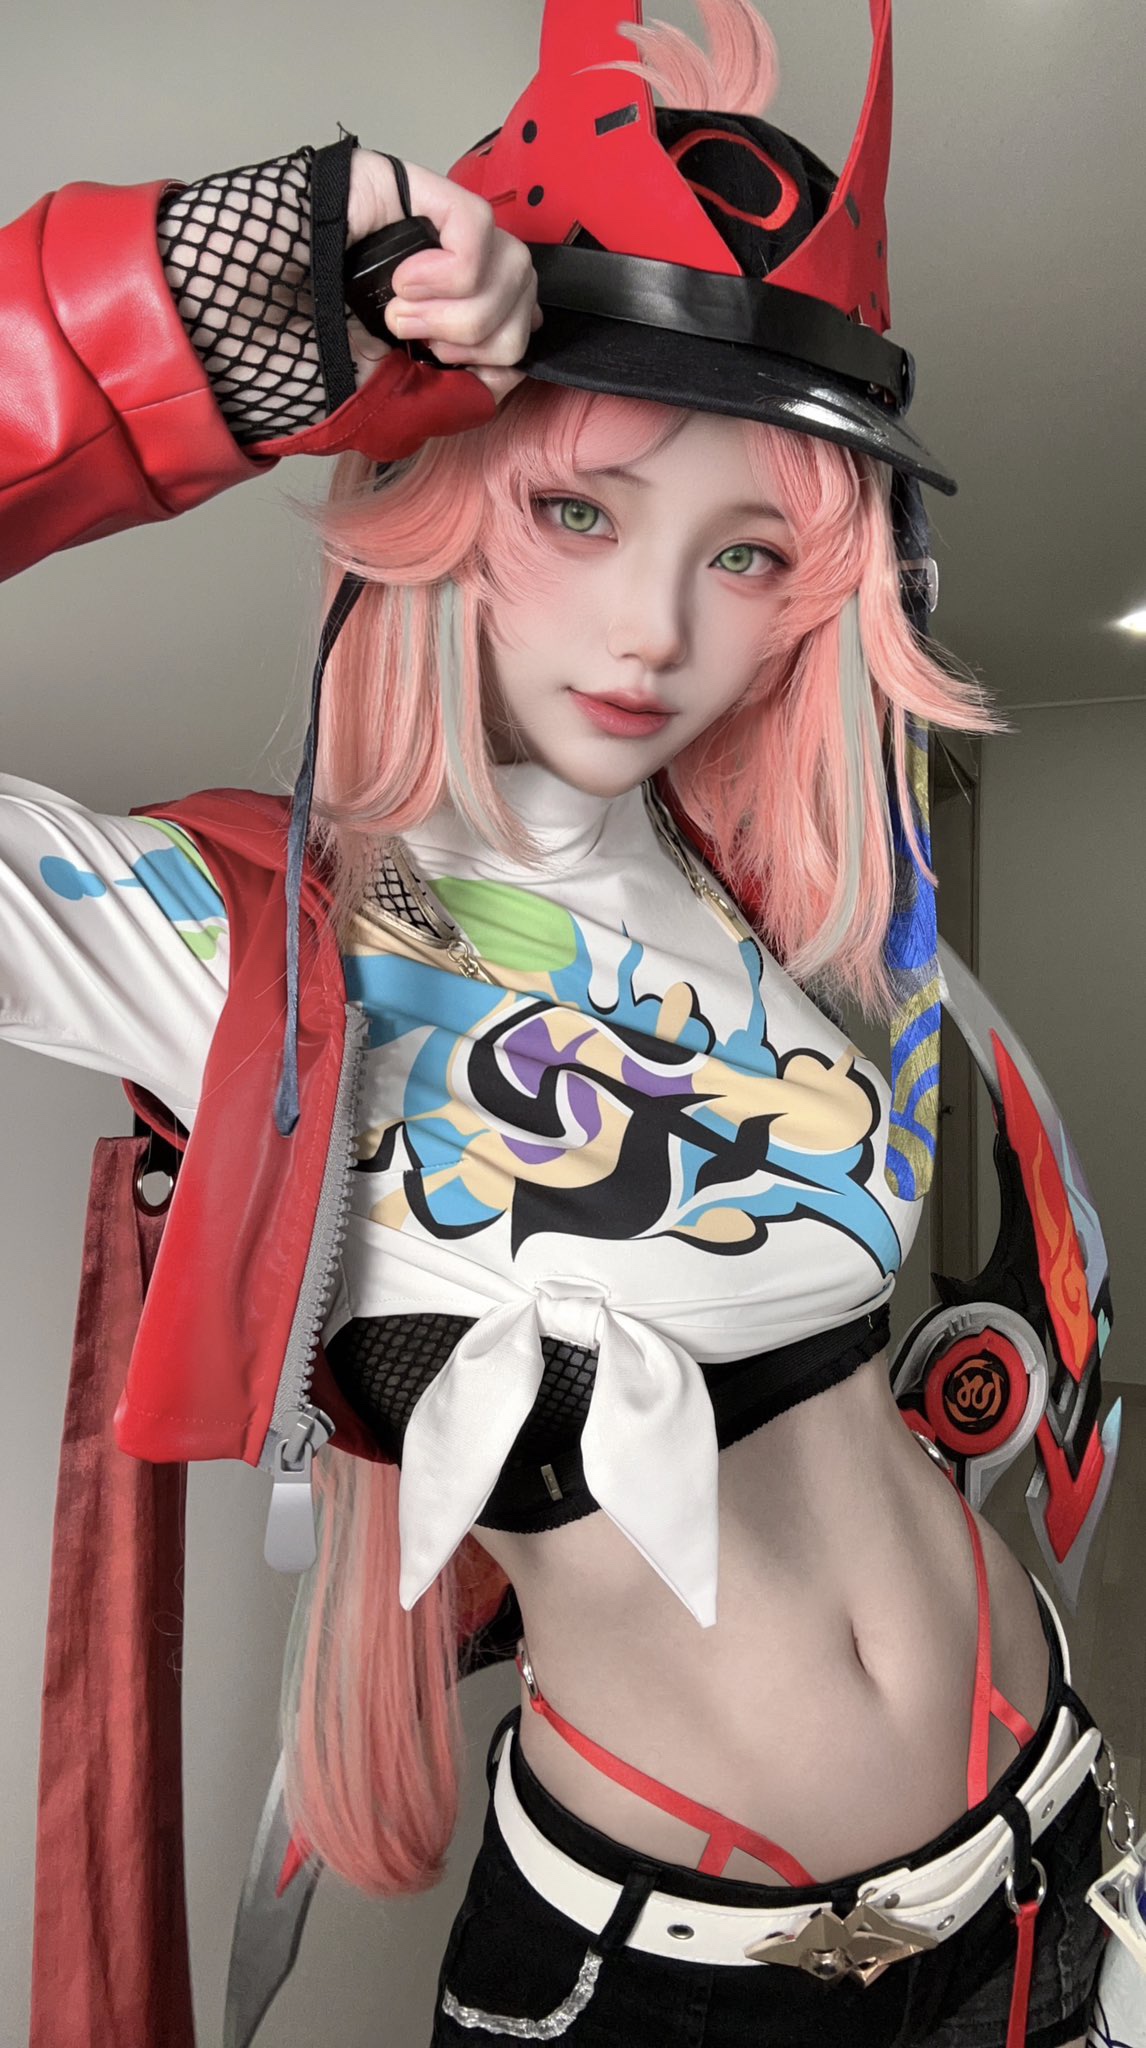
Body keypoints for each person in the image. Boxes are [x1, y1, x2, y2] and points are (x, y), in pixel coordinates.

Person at [0, 2, 1119, 2044]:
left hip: (1051, 1856)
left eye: (747, 552)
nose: (654, 633)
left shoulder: (765, 917)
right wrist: (191, 312)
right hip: (672, 1977)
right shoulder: (237, 940)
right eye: (581, 510)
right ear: (444, 483)